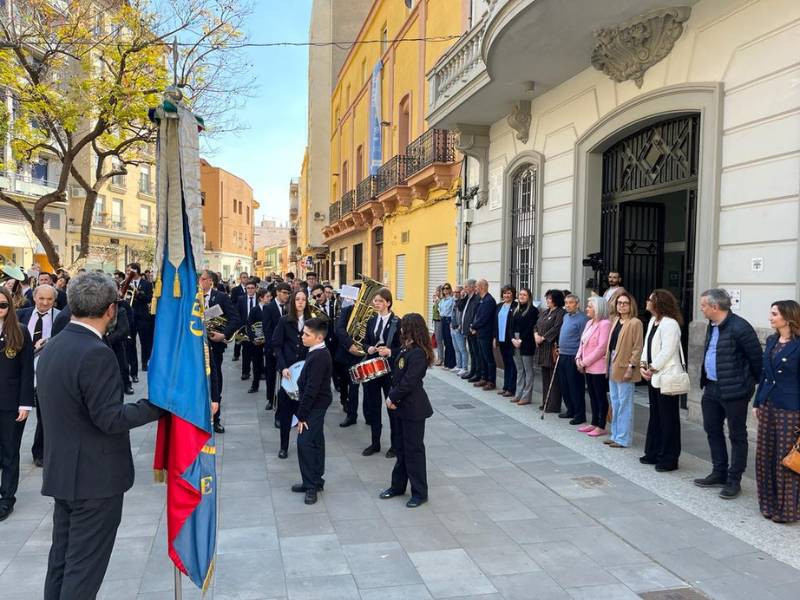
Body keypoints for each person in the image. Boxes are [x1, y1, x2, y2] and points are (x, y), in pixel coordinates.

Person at [36, 272, 163, 599]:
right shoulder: (96, 352)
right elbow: (110, 418)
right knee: (82, 572)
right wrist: (159, 407)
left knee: (62, 563)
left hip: (64, 473)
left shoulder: (54, 345)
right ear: (111, 310)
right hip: (94, 481)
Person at [694, 288, 763, 499]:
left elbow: (757, 362)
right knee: (712, 430)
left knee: (737, 436)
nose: (701, 308)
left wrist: (745, 385)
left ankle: (734, 480)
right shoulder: (712, 325)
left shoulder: (741, 328)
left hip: (735, 392)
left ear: (715, 307)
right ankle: (719, 472)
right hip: (712, 388)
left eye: (704, 305)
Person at [379, 313, 434, 508]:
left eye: (404, 327)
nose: (401, 330)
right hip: (401, 406)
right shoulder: (406, 347)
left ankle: (419, 493)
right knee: (401, 449)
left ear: (412, 329)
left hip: (413, 408)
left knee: (414, 451)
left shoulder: (418, 352)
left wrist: (393, 397)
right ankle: (397, 486)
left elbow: (410, 380)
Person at [753, 300, 800, 523]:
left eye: (774, 314)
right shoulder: (772, 340)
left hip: (790, 410)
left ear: (787, 317)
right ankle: (768, 502)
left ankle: (787, 509)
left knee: (786, 459)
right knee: (765, 455)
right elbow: (765, 375)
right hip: (768, 405)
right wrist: (757, 402)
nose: (770, 317)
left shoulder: (798, 345)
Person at [639, 289, 684, 471]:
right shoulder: (652, 321)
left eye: (650, 299)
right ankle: (653, 452)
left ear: (658, 303)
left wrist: (652, 367)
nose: (647, 301)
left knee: (668, 418)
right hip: (653, 375)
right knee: (656, 416)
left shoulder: (670, 324)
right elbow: (647, 345)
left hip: (666, 375)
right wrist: (643, 365)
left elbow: (667, 350)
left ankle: (669, 458)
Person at [0, 287, 33, 521]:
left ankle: (6, 499)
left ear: (10, 306)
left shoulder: (19, 332)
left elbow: (26, 371)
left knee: (10, 453)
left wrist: (25, 404)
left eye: (3, 305)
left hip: (10, 403)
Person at [17, 284, 60, 466]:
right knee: (18, 413)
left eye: (49, 299)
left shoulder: (60, 317)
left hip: (47, 370)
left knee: (45, 414)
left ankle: (40, 452)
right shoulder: (21, 314)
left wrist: (49, 341)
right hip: (22, 370)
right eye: (41, 298)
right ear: (34, 297)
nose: (45, 303)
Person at [291, 317, 332, 505]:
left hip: (315, 406)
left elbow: (311, 390)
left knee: (304, 443)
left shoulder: (319, 356)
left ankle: (311, 486)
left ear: (319, 338)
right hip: (316, 404)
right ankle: (316, 480)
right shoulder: (315, 351)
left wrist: (302, 415)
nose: (302, 336)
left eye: (307, 334)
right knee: (316, 441)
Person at [361, 288, 401, 458]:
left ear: (388, 303)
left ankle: (395, 445)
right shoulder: (371, 321)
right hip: (373, 368)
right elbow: (364, 342)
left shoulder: (397, 322)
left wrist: (390, 352)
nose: (376, 304)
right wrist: (368, 348)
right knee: (373, 406)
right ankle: (375, 443)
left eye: (379, 301)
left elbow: (403, 348)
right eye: (375, 301)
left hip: (389, 370)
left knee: (392, 407)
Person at [199, 269, 241, 434]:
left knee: (215, 379)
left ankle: (216, 419)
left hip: (215, 346)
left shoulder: (221, 297)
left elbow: (235, 319)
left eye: (202, 279)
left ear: (210, 281)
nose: (200, 283)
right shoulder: (193, 298)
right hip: (197, 346)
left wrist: (223, 334)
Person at [272, 289, 311, 458]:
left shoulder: (312, 321)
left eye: (303, 299)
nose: (300, 302)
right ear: (293, 303)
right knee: (286, 411)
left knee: (305, 410)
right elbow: (276, 345)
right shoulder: (284, 321)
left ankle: (305, 445)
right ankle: (284, 446)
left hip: (307, 373)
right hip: (288, 373)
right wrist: (283, 367)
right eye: (297, 299)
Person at [605, 290, 643, 449]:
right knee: (614, 402)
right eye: (619, 303)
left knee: (624, 403)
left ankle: (623, 438)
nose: (621, 306)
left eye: (625, 303)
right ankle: (615, 434)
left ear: (631, 305)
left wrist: (631, 367)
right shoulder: (615, 320)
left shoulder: (635, 322)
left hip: (625, 366)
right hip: (612, 363)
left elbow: (637, 347)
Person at [575, 296, 611, 436]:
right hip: (587, 366)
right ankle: (594, 422)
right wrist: (578, 357)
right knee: (592, 395)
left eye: (590, 307)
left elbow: (601, 348)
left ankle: (601, 425)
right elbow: (582, 343)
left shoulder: (605, 324)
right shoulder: (589, 322)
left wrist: (585, 362)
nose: (587, 309)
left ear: (598, 309)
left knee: (600, 396)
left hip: (598, 367)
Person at [557, 294, 590, 424]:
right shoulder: (566, 316)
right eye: (566, 302)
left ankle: (579, 414)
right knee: (565, 385)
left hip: (573, 356)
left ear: (577, 304)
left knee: (575, 386)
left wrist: (580, 358)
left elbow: (584, 339)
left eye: (571, 303)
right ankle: (570, 409)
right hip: (563, 354)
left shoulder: (582, 319)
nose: (568, 305)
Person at [335, 285, 363, 428]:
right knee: (346, 384)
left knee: (357, 387)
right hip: (346, 354)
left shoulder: (372, 313)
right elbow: (339, 329)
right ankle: (350, 413)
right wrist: (350, 345)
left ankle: (360, 414)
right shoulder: (347, 310)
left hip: (361, 355)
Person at [535, 290, 565, 413]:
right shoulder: (545, 311)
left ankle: (554, 404)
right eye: (547, 298)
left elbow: (557, 328)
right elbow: (536, 324)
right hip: (542, 348)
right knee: (545, 376)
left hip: (551, 347)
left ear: (556, 300)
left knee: (554, 377)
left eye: (550, 298)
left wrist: (543, 337)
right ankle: (545, 402)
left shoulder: (560, 313)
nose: (547, 300)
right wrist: (536, 334)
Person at [262, 282, 291, 412]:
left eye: (288, 293)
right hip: (272, 348)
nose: (287, 295)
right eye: (285, 293)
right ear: (278, 292)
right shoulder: (268, 308)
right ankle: (270, 398)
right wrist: (274, 348)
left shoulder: (290, 307)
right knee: (271, 375)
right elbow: (267, 330)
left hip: (287, 349)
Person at [510, 287, 539, 406]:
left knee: (528, 370)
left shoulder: (533, 310)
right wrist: (512, 338)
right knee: (519, 369)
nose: (521, 296)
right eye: (520, 294)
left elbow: (530, 327)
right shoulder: (515, 309)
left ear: (529, 297)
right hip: (514, 340)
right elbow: (510, 326)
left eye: (524, 295)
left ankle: (526, 397)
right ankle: (518, 394)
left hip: (526, 341)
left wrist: (521, 339)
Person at [125, 262, 154, 375]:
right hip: (130, 316)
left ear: (136, 271)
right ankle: (132, 365)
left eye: (130, 271)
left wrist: (138, 294)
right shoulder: (126, 283)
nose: (128, 273)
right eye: (127, 271)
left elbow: (148, 298)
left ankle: (145, 362)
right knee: (130, 342)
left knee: (145, 341)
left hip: (142, 316)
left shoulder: (146, 284)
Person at [470, 279, 497, 391]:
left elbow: (484, 318)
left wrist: (474, 326)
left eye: (476, 287)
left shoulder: (489, 300)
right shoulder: (482, 299)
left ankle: (491, 381)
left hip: (485, 333)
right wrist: (474, 326)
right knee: (482, 356)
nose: (475, 289)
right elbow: (477, 314)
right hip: (480, 333)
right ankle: (484, 377)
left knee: (488, 357)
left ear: (482, 287)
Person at [494, 285, 518, 398]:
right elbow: (495, 323)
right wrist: (495, 338)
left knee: (512, 364)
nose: (506, 295)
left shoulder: (516, 306)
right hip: (501, 338)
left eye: (509, 293)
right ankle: (505, 387)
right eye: (504, 293)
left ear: (513, 294)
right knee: (506, 364)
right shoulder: (499, 306)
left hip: (511, 339)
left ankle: (511, 388)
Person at [245, 288, 270, 394]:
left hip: (269, 340)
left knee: (269, 364)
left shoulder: (270, 308)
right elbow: (249, 325)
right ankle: (255, 385)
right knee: (256, 363)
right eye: (267, 297)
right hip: (257, 341)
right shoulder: (254, 310)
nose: (270, 298)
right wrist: (253, 339)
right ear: (261, 298)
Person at [237, 279, 260, 389]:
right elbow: (238, 313)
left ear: (255, 289)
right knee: (245, 351)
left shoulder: (259, 299)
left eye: (252, 288)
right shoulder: (241, 299)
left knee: (257, 351)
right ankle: (245, 372)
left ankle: (260, 372)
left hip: (257, 329)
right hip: (244, 329)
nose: (250, 290)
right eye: (248, 288)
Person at [461, 279, 479, 381]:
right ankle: (472, 371)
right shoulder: (467, 297)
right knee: (472, 352)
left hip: (473, 330)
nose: (465, 289)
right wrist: (463, 297)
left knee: (476, 353)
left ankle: (477, 373)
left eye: (466, 287)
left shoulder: (476, 298)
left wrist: (473, 326)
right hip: (468, 329)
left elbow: (475, 314)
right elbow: (460, 307)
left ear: (472, 287)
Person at [230, 272, 250, 361]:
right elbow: (232, 303)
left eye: (246, 277)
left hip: (249, 315)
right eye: (243, 277)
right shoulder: (235, 290)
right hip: (240, 316)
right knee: (239, 337)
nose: (245, 279)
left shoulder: (251, 289)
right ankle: (236, 354)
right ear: (240, 279)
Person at [450, 285, 469, 376]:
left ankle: (464, 368)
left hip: (459, 328)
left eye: (458, 292)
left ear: (462, 292)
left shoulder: (463, 302)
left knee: (462, 349)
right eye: (455, 292)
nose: (456, 294)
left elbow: (463, 315)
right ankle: (458, 365)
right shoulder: (454, 301)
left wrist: (460, 326)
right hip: (453, 327)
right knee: (456, 349)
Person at [438, 283, 456, 369]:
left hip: (448, 320)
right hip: (443, 320)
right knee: (445, 341)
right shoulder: (442, 300)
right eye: (444, 289)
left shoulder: (452, 300)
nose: (445, 290)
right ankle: (446, 363)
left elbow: (452, 311)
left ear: (450, 289)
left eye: (447, 288)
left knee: (449, 342)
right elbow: (440, 310)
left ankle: (451, 363)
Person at [431, 286, 443, 366]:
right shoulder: (437, 300)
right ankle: (439, 357)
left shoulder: (441, 301)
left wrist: (437, 302)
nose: (436, 292)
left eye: (437, 291)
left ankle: (440, 358)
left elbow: (441, 310)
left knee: (439, 340)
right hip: (435, 320)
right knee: (437, 340)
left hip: (439, 321)